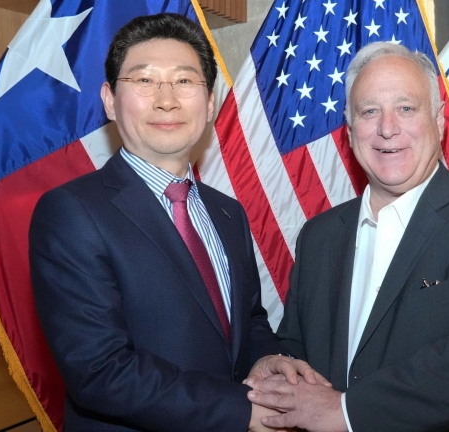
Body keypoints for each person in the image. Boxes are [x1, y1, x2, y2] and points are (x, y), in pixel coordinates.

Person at [29, 13, 324, 432]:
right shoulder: (71, 212)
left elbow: (249, 319)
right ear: (110, 100)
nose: (166, 99)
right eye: (144, 80)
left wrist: (266, 359)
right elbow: (99, 372)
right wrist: (240, 411)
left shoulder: (227, 212)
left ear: (208, 103)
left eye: (185, 81)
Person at [247, 42, 449, 431]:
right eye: (369, 111)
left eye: (406, 108)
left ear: (439, 120)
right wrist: (279, 366)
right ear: (350, 127)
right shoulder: (319, 236)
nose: (387, 127)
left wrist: (346, 412)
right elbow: (298, 345)